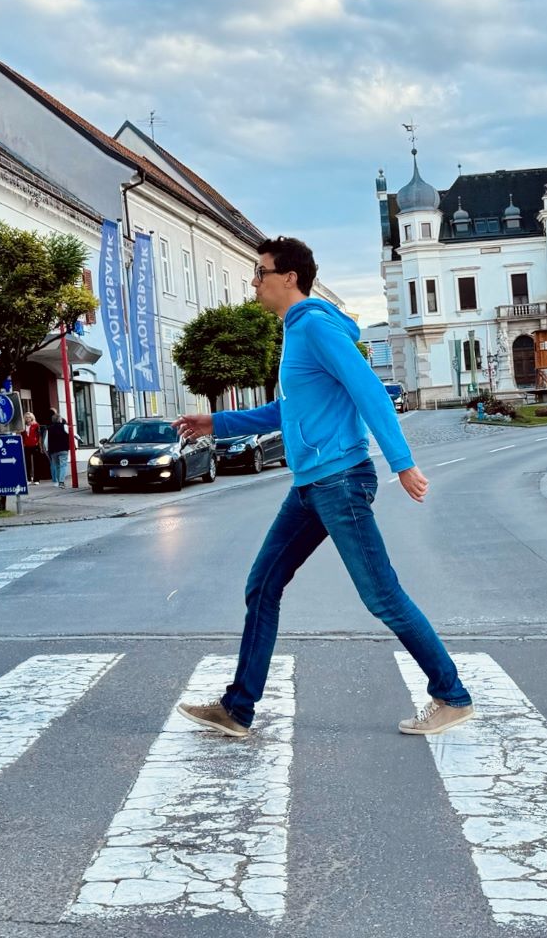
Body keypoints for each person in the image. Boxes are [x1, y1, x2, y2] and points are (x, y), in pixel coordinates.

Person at [173, 236, 474, 739]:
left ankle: (451, 694)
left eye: (260, 271)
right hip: (312, 484)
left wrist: (402, 463)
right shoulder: (296, 332)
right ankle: (237, 709)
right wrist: (217, 422)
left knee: (382, 595)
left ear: (289, 277)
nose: (254, 281)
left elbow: (369, 389)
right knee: (262, 585)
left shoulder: (313, 326)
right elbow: (287, 411)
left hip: (339, 480)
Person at [44, 411, 72, 488]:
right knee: (63, 465)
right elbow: (73, 434)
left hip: (53, 450)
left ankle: (57, 481)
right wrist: (80, 439)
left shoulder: (49, 429)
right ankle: (61, 482)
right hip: (63, 448)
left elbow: (46, 441)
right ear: (60, 420)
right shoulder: (64, 426)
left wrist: (46, 449)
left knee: (57, 466)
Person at [22, 411, 44, 482]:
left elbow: (39, 435)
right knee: (27, 462)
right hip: (26, 446)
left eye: (29, 417)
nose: (28, 419)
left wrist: (39, 444)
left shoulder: (36, 425)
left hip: (35, 445)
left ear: (32, 418)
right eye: (26, 417)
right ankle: (28, 479)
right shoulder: (23, 426)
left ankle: (36, 479)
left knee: (36, 462)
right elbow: (21, 435)